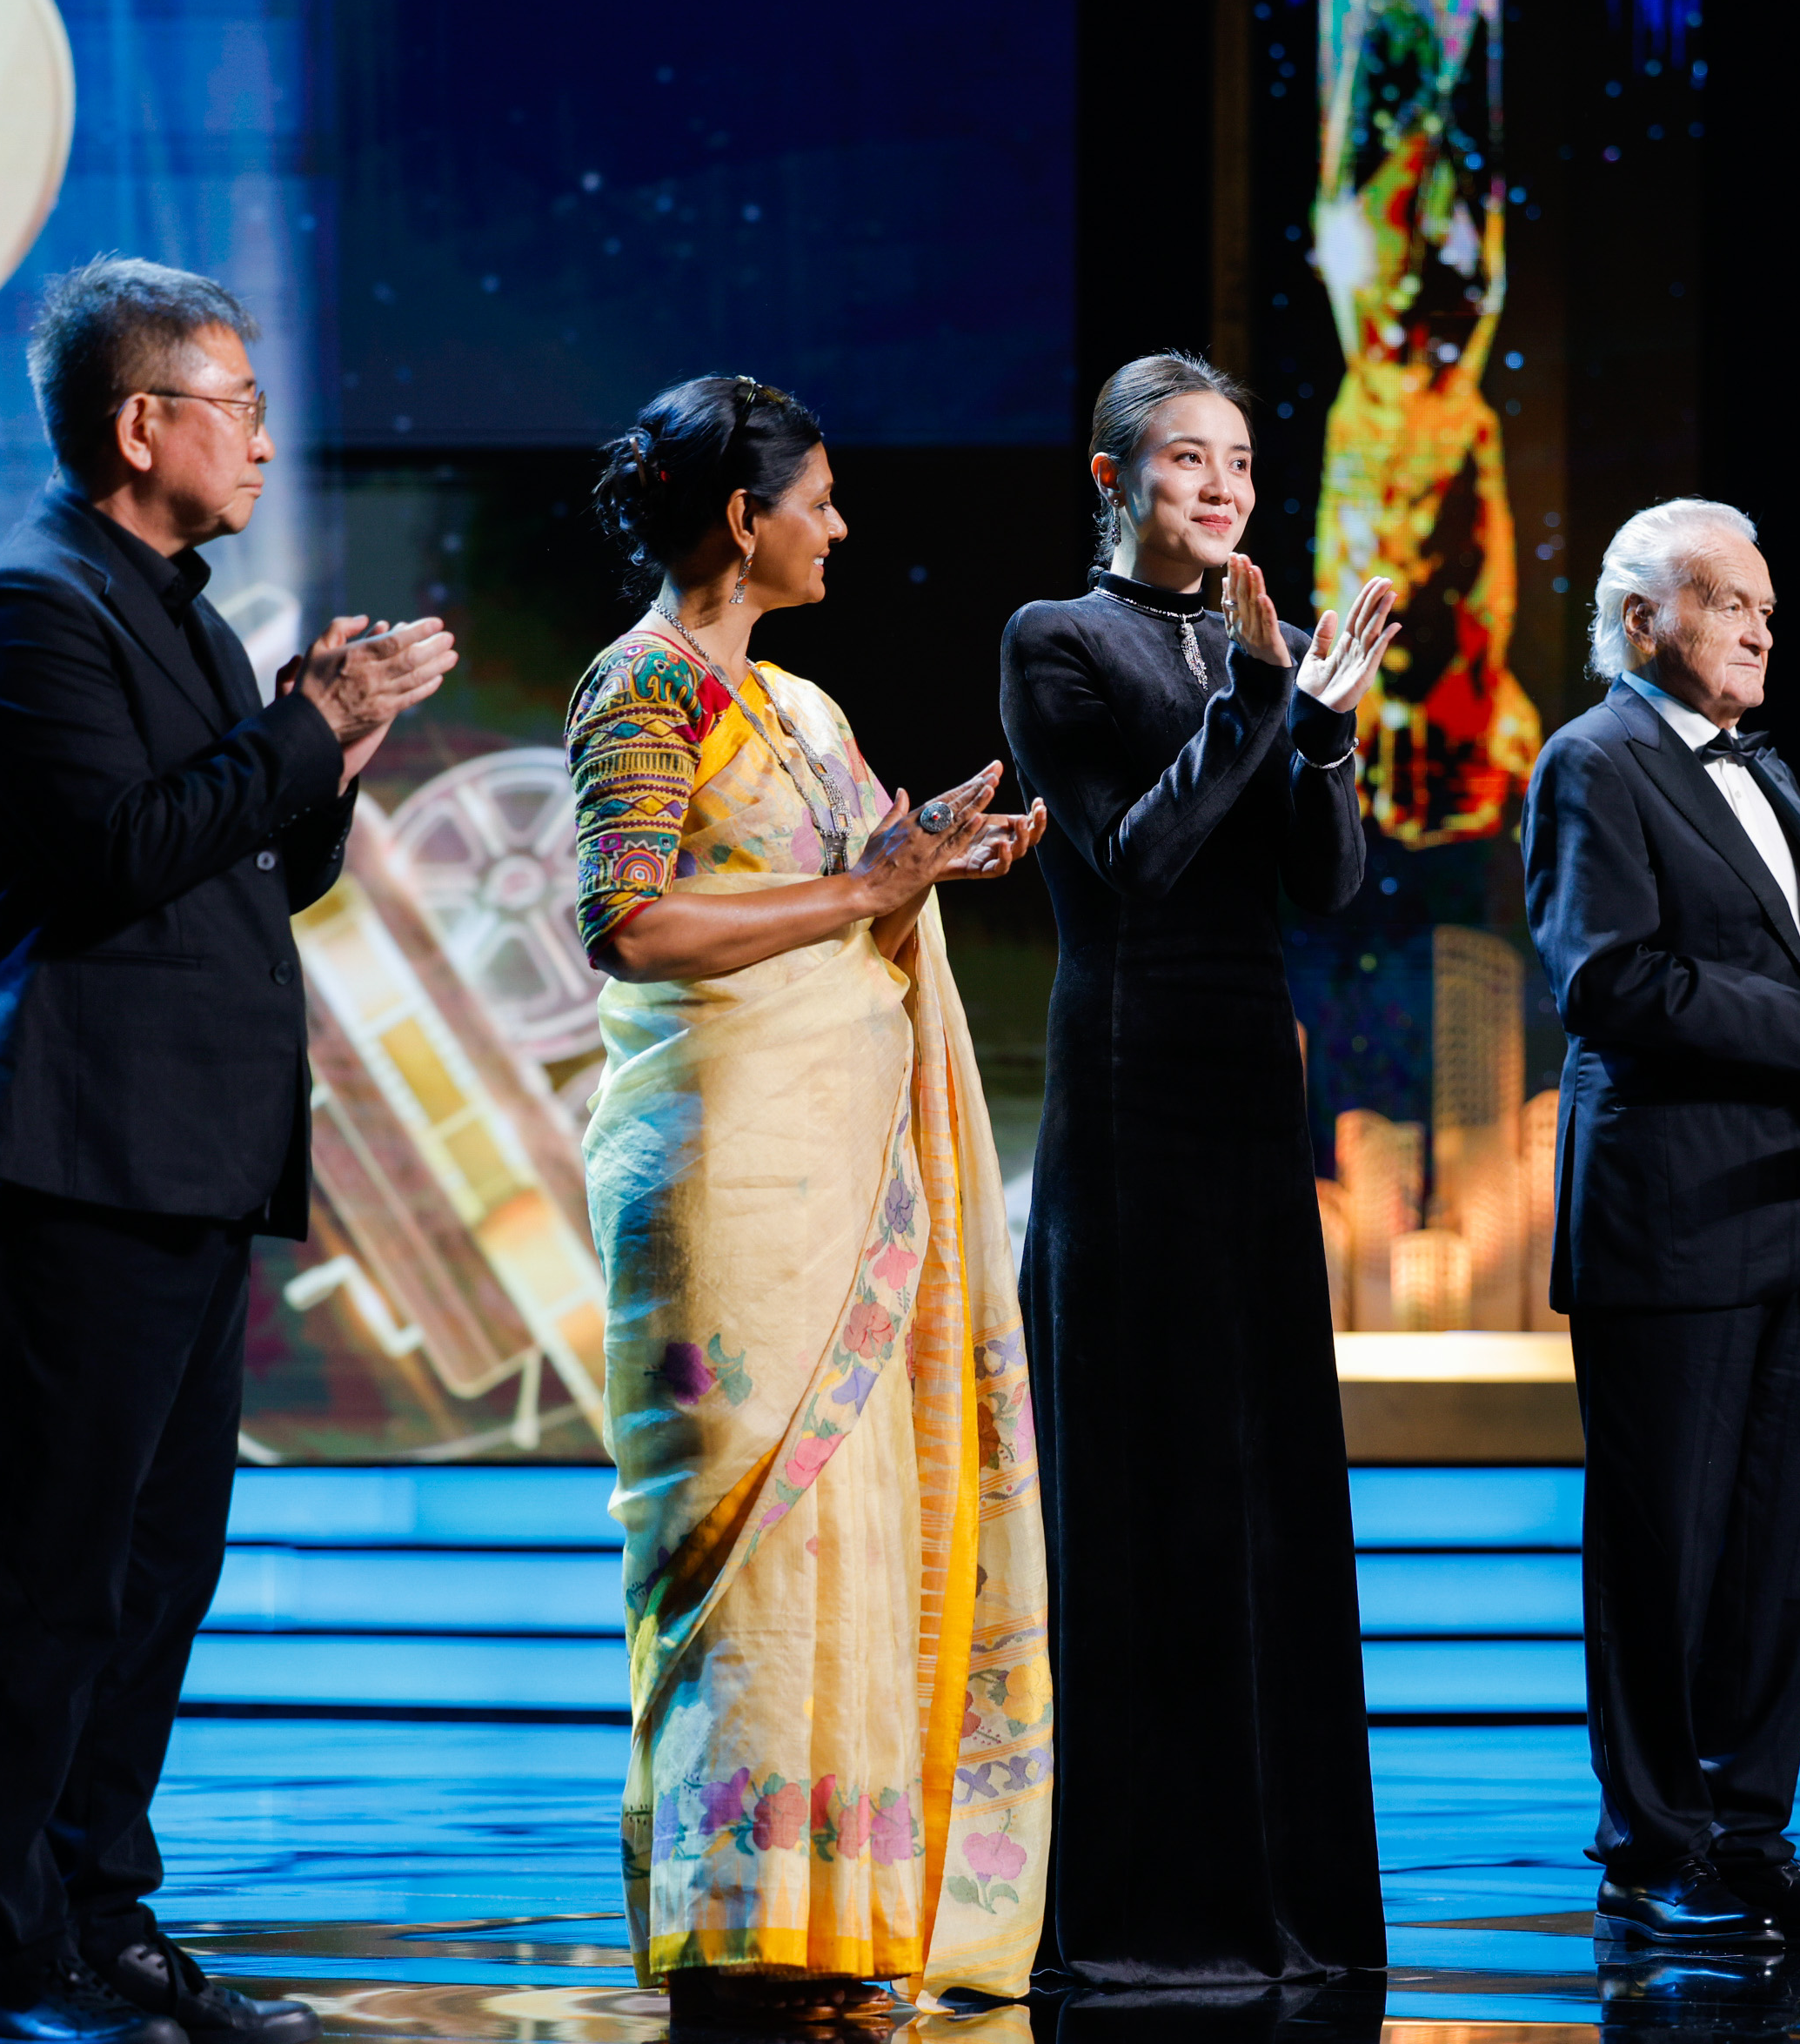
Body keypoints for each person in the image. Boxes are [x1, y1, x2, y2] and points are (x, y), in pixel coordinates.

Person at [0, 257, 453, 2044]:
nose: (259, 436)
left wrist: (336, 744)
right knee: (49, 1568)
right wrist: (299, 730)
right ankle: (6, 1952)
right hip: (79, 1160)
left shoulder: (190, 618)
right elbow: (108, 852)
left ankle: (107, 1916)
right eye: (234, 402)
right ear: (142, 422)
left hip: (190, 1161)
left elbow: (254, 856)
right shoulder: (26, 607)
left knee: (156, 1570)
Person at [567, 375, 1055, 2022]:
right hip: (726, 1183)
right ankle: (735, 1919)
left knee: (854, 1527)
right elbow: (627, 924)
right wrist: (863, 884)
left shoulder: (807, 710)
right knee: (746, 1549)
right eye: (821, 498)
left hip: (838, 1172)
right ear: (740, 517)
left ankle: (836, 1911)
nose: (840, 525)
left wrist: (928, 861)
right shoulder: (645, 688)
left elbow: (842, 892)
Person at [997, 352, 1400, 1988]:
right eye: (1185, 459)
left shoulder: (1263, 652)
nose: (1224, 486)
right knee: (1150, 1485)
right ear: (1112, 480)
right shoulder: (1058, 639)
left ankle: (1288, 1908)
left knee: (1266, 1487)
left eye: (1239, 458)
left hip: (1249, 1087)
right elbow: (1140, 858)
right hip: (1131, 1076)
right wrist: (1265, 706)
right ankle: (1151, 1920)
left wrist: (1329, 740)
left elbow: (1324, 884)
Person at [1523, 497, 1800, 1947]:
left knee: (1771, 1555)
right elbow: (1608, 980)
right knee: (1661, 1548)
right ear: (1644, 621)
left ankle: (1749, 1835)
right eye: (1730, 601)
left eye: (1767, 606)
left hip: (1784, 1210)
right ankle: (1653, 1847)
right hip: (1666, 1213)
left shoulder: (1770, 775)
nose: (1761, 625)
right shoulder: (1596, 764)